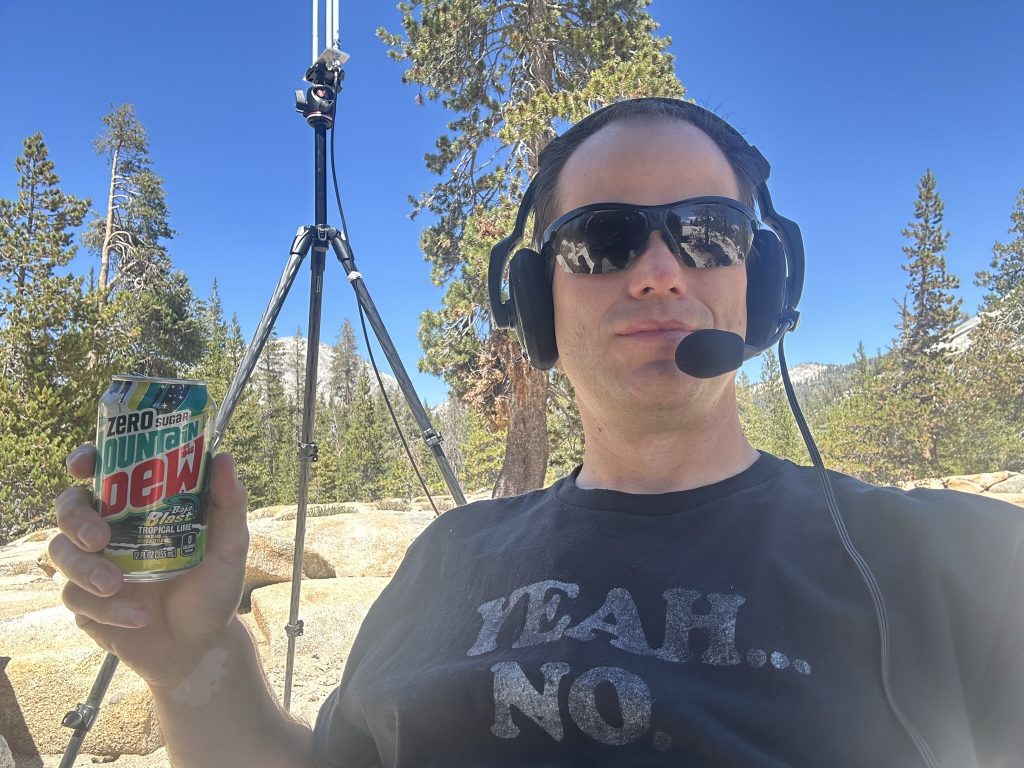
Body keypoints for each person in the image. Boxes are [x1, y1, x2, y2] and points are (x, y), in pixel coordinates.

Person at [51, 99, 1023, 767]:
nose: (659, 270)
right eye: (604, 239)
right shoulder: (445, 559)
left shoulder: (958, 561)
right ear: (535, 299)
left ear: (762, 284)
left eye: (708, 233)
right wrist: (194, 663)